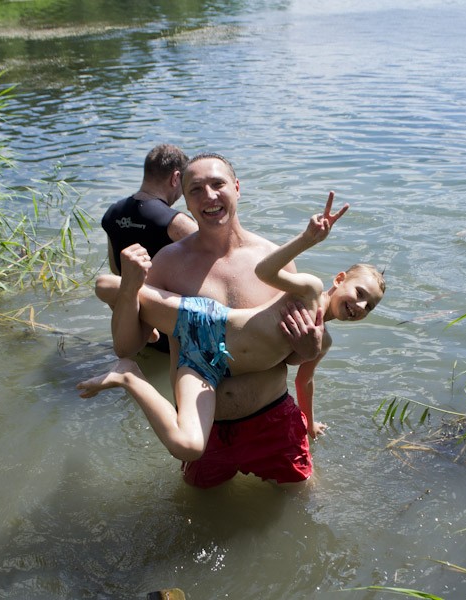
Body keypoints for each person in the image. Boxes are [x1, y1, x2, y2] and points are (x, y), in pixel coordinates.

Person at [77, 194, 385, 469]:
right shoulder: (309, 289)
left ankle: (129, 375)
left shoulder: (322, 340)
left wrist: (310, 423)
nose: (360, 305)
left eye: (369, 306)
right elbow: (264, 271)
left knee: (188, 447)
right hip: (207, 321)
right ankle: (149, 326)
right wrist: (308, 239)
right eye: (359, 292)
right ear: (340, 278)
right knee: (106, 285)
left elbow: (304, 382)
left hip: (208, 363)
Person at [80, 153, 330, 488]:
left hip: (273, 421)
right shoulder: (168, 263)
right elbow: (127, 345)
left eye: (218, 184)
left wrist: (308, 348)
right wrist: (128, 286)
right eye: (196, 189)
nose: (209, 196)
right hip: (205, 426)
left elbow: (287, 352)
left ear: (237, 188)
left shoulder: (274, 260)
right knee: (196, 507)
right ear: (185, 200)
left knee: (299, 503)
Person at [95, 143, 197, 307]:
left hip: (130, 311)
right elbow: (214, 268)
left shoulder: (112, 213)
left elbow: (115, 269)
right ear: (176, 178)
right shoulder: (177, 222)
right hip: (166, 314)